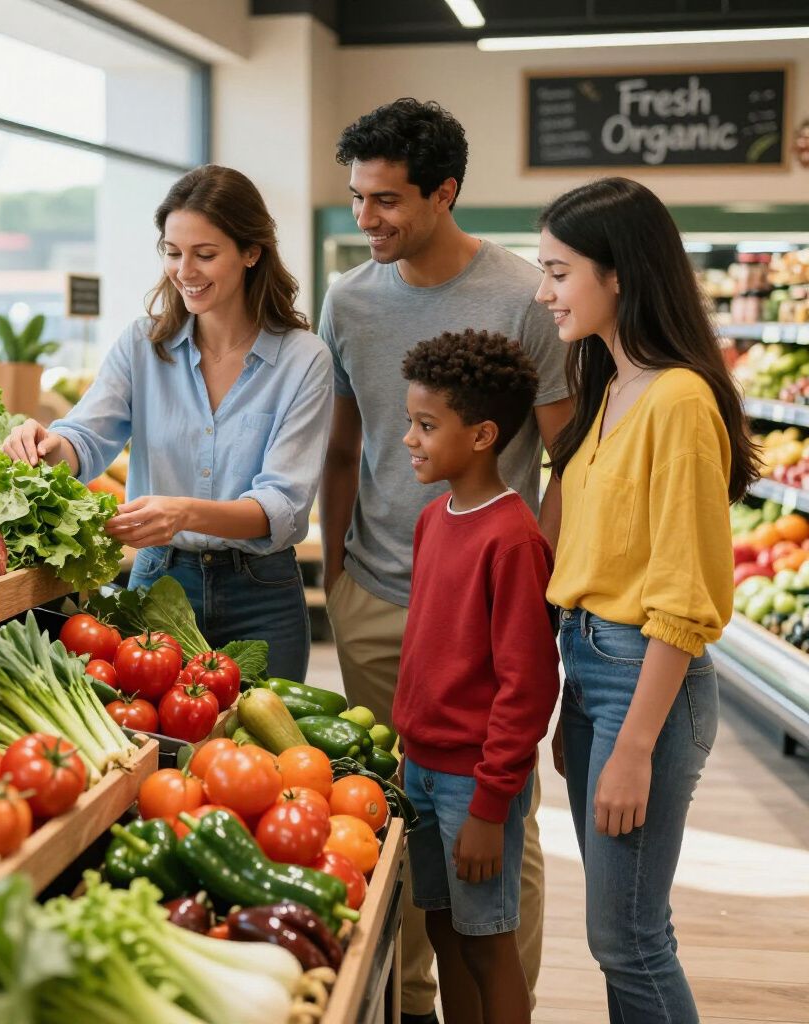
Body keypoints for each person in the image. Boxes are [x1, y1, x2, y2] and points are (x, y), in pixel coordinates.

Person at [319, 97, 571, 1019]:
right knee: (400, 811)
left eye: (386, 200)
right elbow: (343, 448)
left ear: (444, 191)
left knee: (498, 824)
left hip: (490, 603)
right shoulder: (348, 300)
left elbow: (561, 452)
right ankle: (417, 1001)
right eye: (357, 198)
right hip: (379, 593)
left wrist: (548, 586)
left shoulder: (519, 295)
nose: (367, 219)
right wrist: (337, 577)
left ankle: (506, 1002)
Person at [536, 177, 759, 1024]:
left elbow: (682, 593)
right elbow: (598, 560)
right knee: (617, 934)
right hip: (596, 671)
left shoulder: (680, 401)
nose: (542, 290)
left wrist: (632, 744)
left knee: (630, 938)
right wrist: (575, 705)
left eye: (559, 272)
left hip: (647, 687)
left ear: (618, 273)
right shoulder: (607, 384)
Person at [2, 165, 332, 681]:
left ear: (251, 253)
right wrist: (47, 444)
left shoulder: (303, 360)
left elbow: (284, 509)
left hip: (261, 598)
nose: (185, 271)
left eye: (205, 254)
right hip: (158, 584)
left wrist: (185, 513)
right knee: (158, 748)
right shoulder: (143, 345)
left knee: (264, 758)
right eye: (173, 252)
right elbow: (86, 438)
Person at [394, 328, 560, 1024]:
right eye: (411, 422)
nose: (411, 439)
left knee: (489, 944)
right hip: (421, 768)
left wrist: (492, 807)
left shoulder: (514, 538)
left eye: (427, 426)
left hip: (474, 782)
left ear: (485, 434)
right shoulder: (434, 520)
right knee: (439, 928)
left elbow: (529, 685)